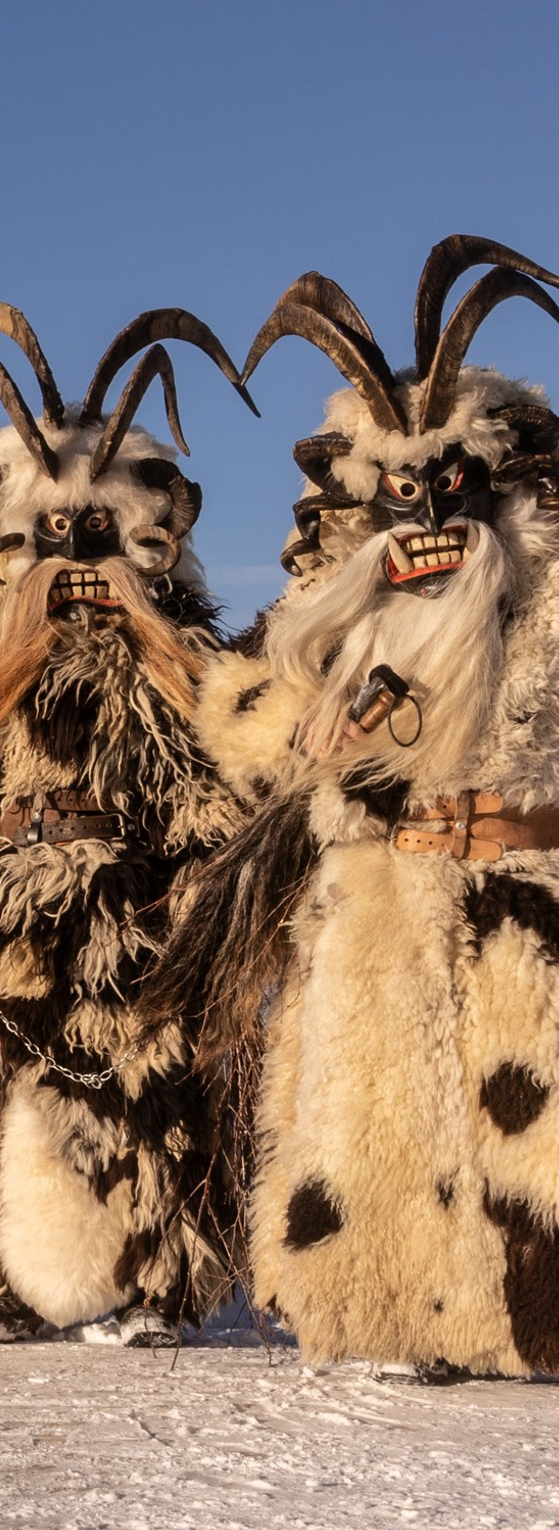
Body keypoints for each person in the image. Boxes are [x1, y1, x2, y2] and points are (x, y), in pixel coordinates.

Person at [175, 237, 559, 1383]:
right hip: (378, 902)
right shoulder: (324, 617)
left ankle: (518, 1325)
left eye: (455, 486)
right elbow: (242, 724)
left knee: (524, 1133)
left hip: (518, 903)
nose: (429, 516)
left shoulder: (541, 603)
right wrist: (317, 726)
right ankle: (392, 1314)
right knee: (377, 1122)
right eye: (402, 493)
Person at [0, 305, 251, 1348]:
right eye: (48, 538)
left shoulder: (176, 663)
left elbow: (203, 796)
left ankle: (155, 1285)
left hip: (126, 908)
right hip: (5, 911)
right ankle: (1, 1285)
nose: (75, 560)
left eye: (97, 535)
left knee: (141, 1085)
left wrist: (198, 908)